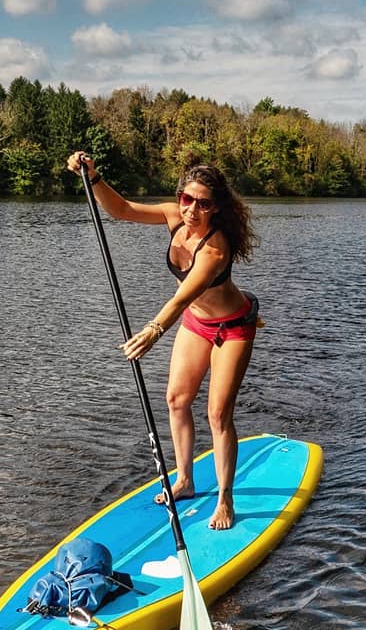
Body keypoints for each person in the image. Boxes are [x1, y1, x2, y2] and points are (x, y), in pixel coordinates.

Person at [66, 151, 259, 530]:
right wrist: (94, 177)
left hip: (232, 327)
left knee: (218, 414)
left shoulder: (215, 249)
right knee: (176, 399)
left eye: (203, 203)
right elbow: (121, 210)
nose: (191, 210)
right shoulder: (174, 215)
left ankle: (224, 499)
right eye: (187, 199)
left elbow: (182, 296)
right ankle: (185, 480)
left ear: (216, 208)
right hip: (195, 323)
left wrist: (153, 330)